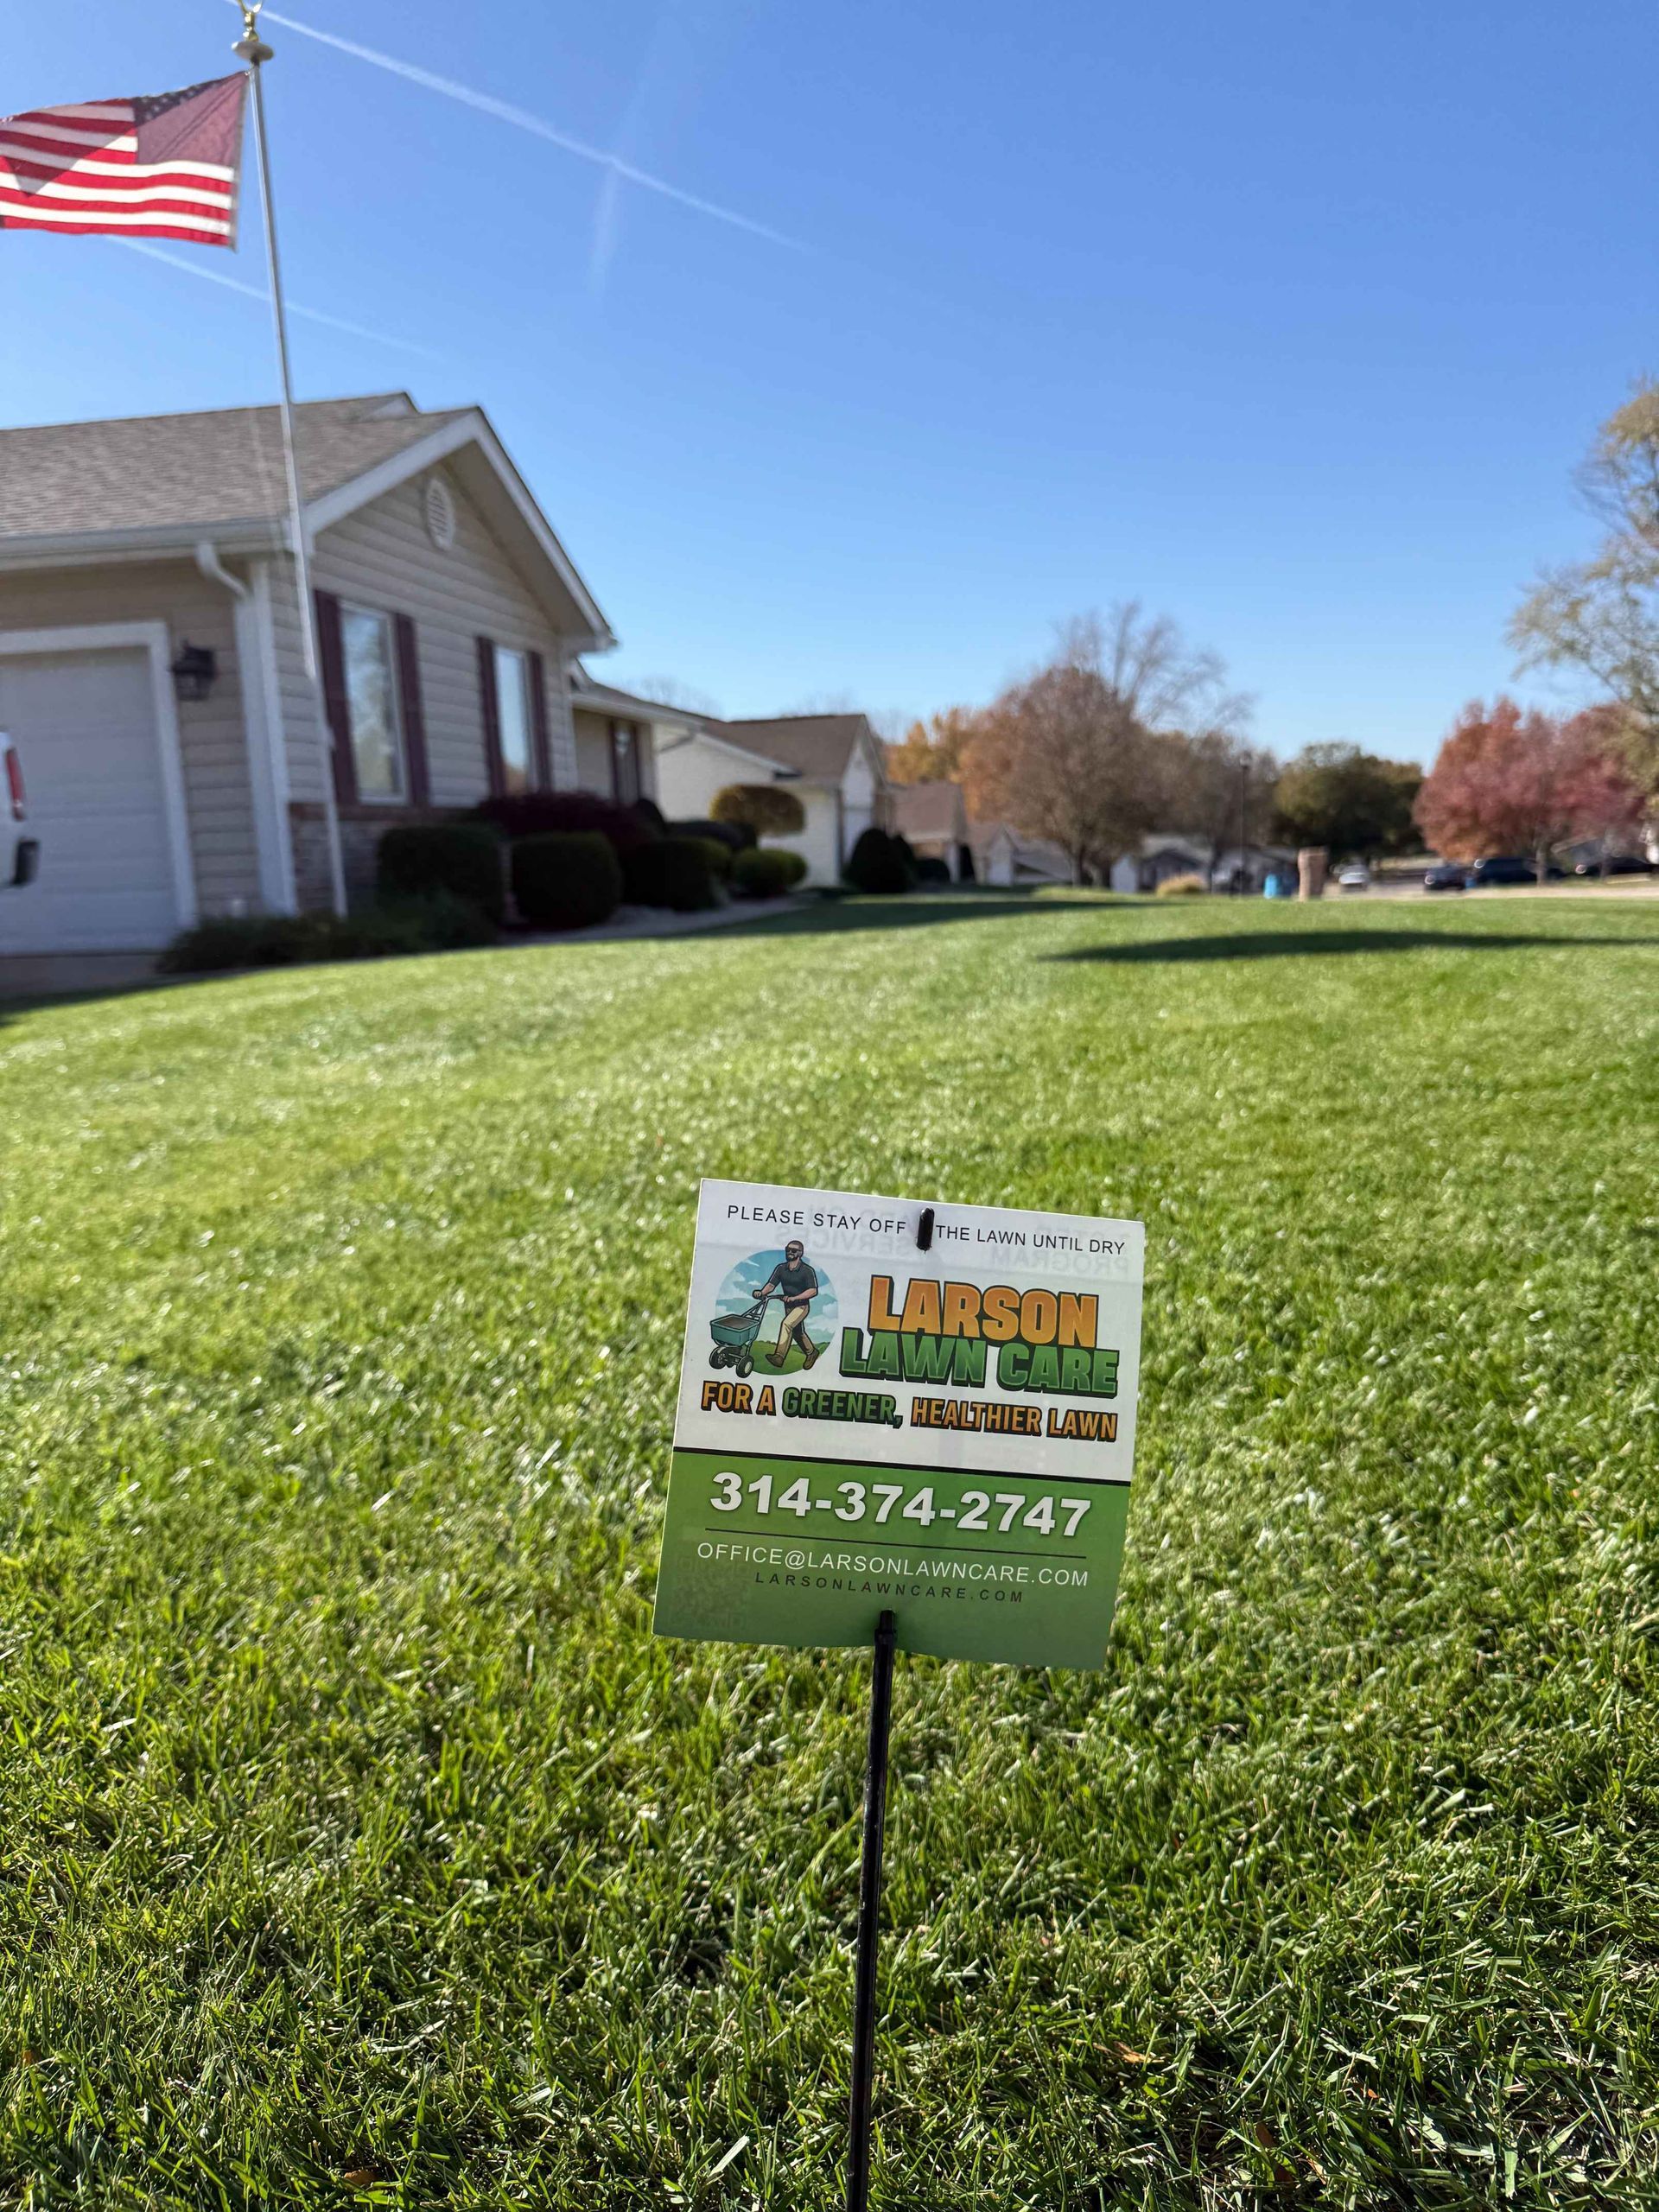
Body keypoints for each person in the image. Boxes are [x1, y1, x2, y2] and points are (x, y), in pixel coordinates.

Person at [758, 1239, 822, 1369]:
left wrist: (795, 1298)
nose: (790, 1252)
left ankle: (779, 1357)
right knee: (798, 1333)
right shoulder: (781, 1269)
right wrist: (761, 1292)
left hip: (801, 1306)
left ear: (800, 1253)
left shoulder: (807, 1270)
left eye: (793, 1250)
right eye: (788, 1250)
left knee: (786, 1324)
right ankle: (812, 1352)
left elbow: (813, 1291)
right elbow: (771, 1285)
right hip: (788, 1306)